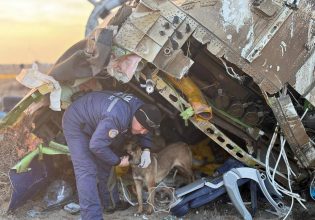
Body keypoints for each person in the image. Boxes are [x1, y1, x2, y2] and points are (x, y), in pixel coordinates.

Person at [62, 91, 162, 220]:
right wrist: (117, 162)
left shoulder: (142, 109)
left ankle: (110, 203)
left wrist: (147, 149)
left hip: (98, 119)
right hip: (76, 121)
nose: (142, 132)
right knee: (86, 170)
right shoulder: (117, 118)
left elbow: (146, 127)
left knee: (105, 161)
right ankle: (92, 217)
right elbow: (96, 145)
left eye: (146, 130)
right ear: (135, 117)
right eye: (141, 127)